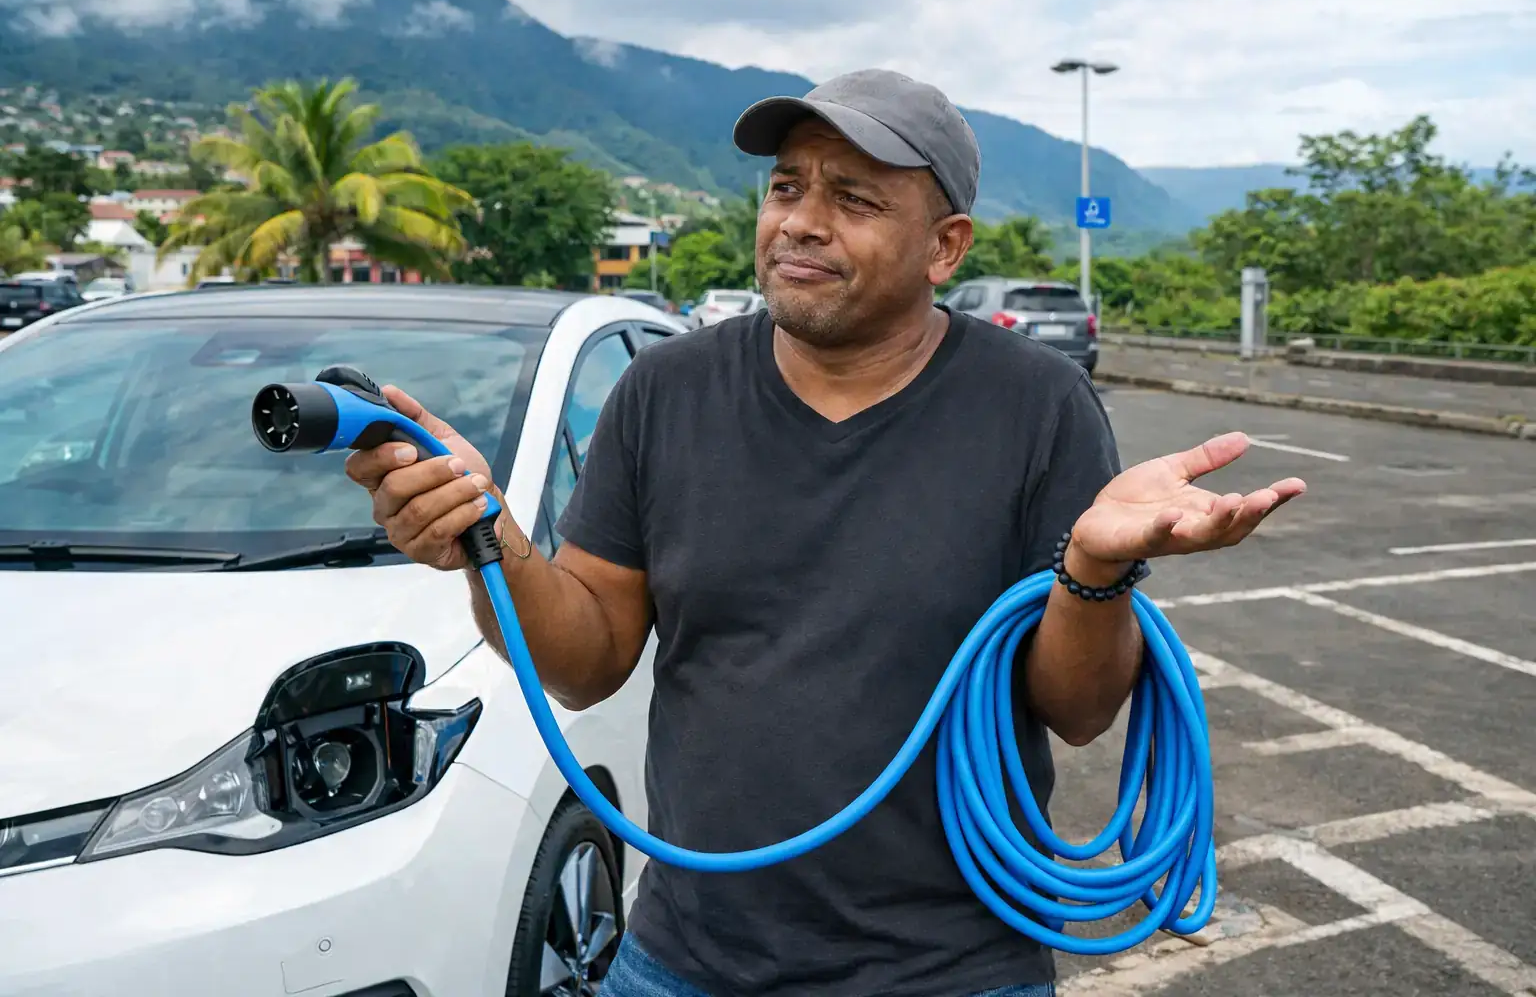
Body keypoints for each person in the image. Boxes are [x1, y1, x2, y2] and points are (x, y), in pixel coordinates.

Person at [345, 69, 1306, 997]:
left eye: (854, 198)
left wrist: (1097, 567)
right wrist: (488, 539)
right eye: (786, 187)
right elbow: (586, 658)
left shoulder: (1037, 406)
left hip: (952, 971)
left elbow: (1081, 710)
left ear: (945, 248)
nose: (801, 220)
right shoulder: (664, 393)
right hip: (685, 958)